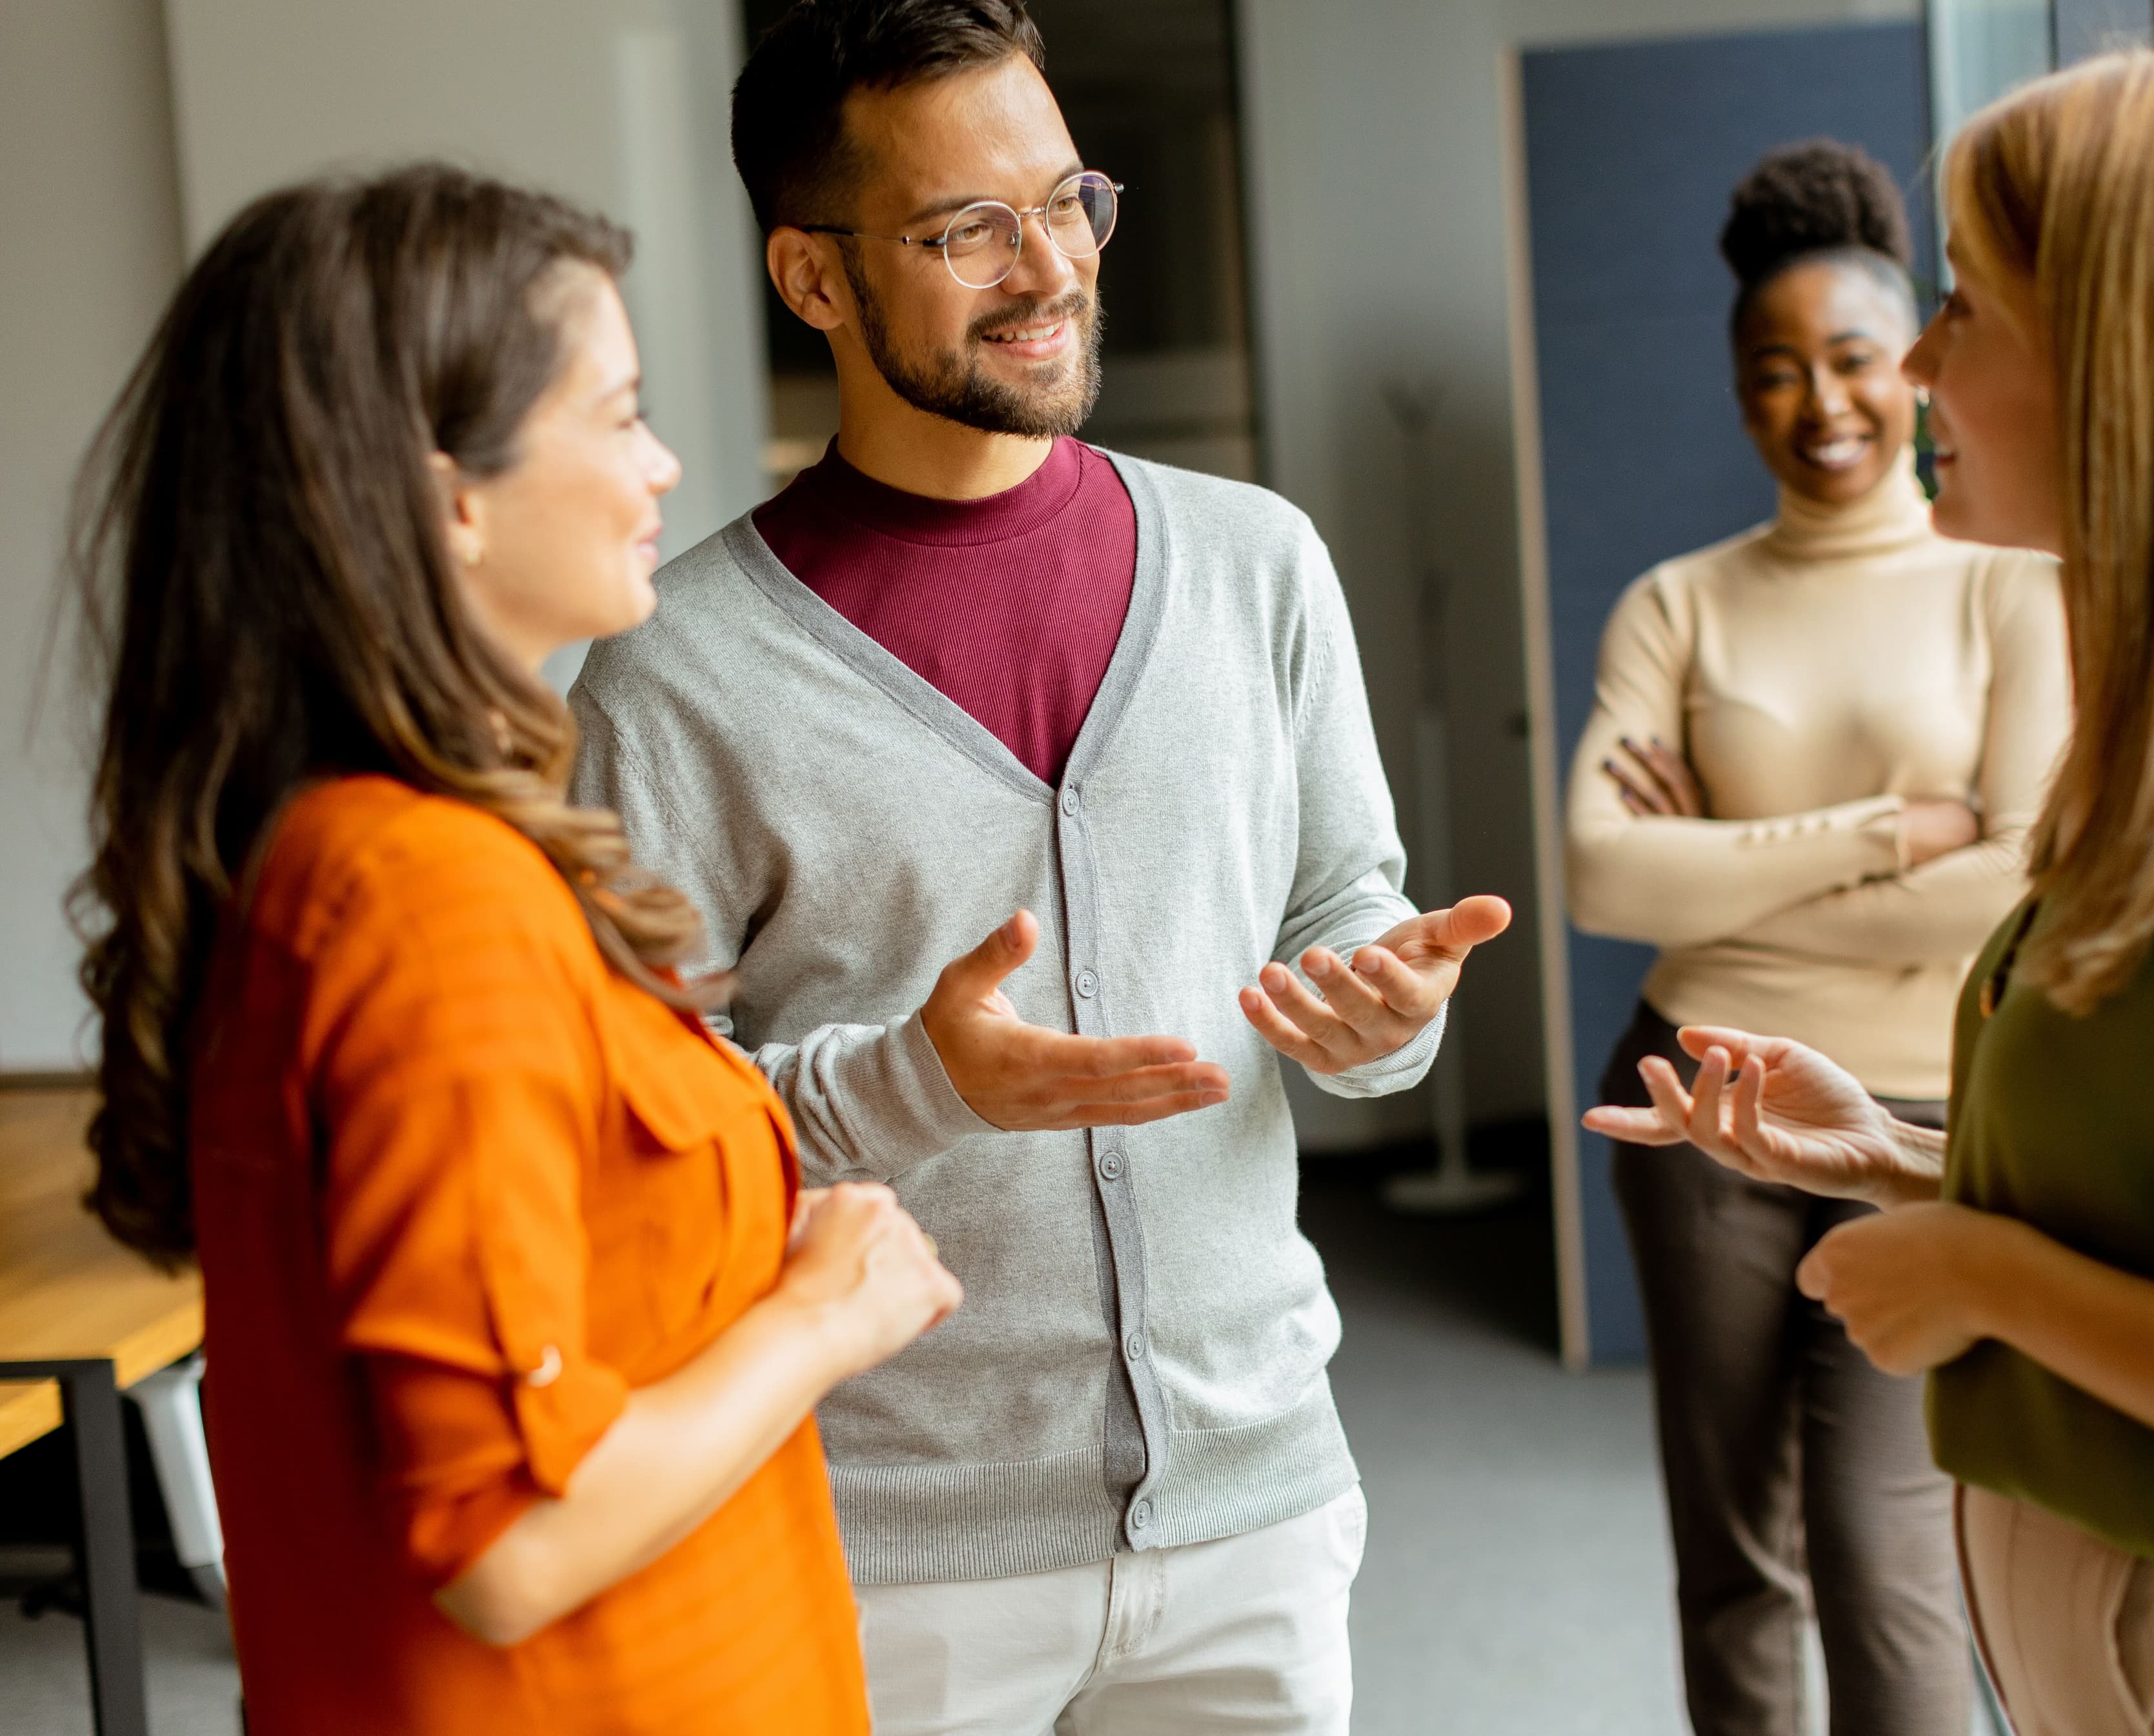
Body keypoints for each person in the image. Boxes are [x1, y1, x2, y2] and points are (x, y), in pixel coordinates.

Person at [565, 2, 1510, 1730]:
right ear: (815, 278)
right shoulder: (675, 671)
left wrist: (1381, 1002)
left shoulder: (1257, 566)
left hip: (1255, 1493)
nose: (1047, 264)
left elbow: (1343, 906)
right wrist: (917, 1082)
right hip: (889, 1534)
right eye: (964, 229)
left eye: (1065, 199)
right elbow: (639, 1129)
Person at [1589, 41, 2154, 1733]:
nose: (1914, 367)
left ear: (2134, 365)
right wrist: (1906, 1160)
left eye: (1964, 312)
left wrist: (1988, 1275)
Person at [71, 165, 960, 1735]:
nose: (664, 465)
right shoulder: (425, 899)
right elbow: (504, 1538)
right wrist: (829, 1310)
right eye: (618, 417)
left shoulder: (398, 861)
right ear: (449, 498)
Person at [1564, 139, 2069, 1736]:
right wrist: (1880, 832)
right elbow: (1596, 873)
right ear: (1738, 390)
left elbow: (2020, 880)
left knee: (1886, 1551)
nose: (1820, 402)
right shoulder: (1676, 605)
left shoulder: (2010, 585)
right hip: (1694, 1097)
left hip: (1928, 1108)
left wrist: (1718, 853)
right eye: (1774, 371)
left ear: (1915, 365)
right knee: (1731, 1554)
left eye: (1853, 358)